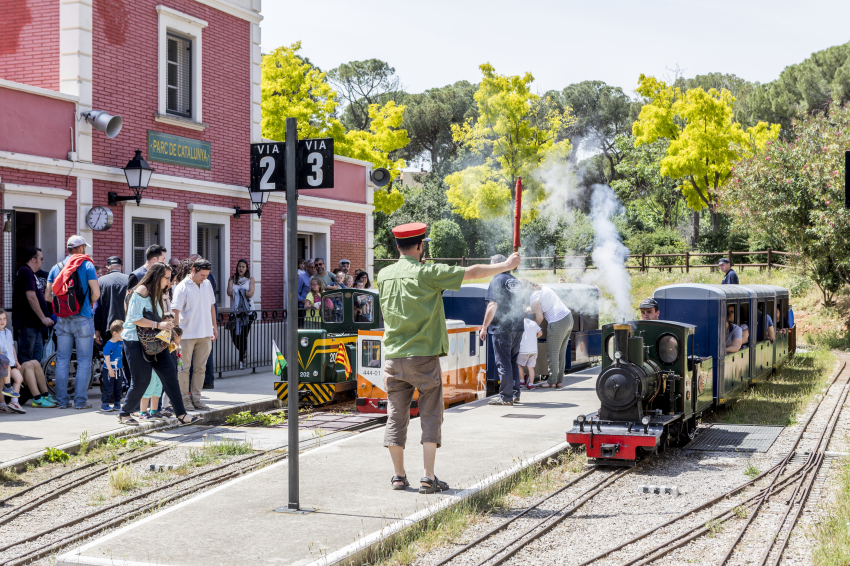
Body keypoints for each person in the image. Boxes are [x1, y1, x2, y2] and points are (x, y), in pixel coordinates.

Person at [377, 222, 520, 494]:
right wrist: (506, 265)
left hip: (393, 358)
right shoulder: (427, 273)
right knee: (431, 415)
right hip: (423, 357)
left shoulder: (383, 275)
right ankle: (428, 478)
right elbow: (472, 272)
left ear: (397, 246)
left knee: (396, 417)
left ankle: (398, 476)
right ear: (420, 246)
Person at [119, 262, 199, 426]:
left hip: (155, 341)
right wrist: (158, 325)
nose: (169, 282)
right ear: (157, 276)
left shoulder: (160, 292)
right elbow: (134, 318)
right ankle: (124, 413)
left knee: (170, 376)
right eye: (167, 278)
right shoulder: (141, 291)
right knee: (142, 380)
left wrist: (168, 327)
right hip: (135, 341)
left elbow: (159, 317)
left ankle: (181, 414)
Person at [45, 235, 101, 410]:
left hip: (62, 319)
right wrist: (86, 304)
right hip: (83, 318)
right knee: (84, 360)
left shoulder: (56, 267)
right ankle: (80, 401)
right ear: (81, 248)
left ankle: (62, 402)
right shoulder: (88, 265)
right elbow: (96, 293)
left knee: (62, 359)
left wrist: (64, 308)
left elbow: (47, 296)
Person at [481, 254, 526, 405]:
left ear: (497, 265)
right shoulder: (515, 281)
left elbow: (492, 305)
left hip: (502, 327)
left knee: (503, 362)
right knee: (513, 361)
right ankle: (514, 394)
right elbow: (522, 305)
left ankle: (506, 397)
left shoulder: (497, 280)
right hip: (518, 326)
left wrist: (484, 327)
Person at [172, 258, 217, 411]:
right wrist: (176, 333)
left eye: (207, 275)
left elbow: (212, 306)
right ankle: (184, 399)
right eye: (202, 275)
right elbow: (175, 311)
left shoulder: (207, 284)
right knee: (183, 368)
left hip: (205, 332)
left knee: (200, 368)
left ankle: (196, 398)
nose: (204, 278)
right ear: (193, 270)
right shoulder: (181, 287)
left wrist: (214, 327)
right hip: (186, 335)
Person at [526, 283, 573, 389]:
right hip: (568, 318)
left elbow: (539, 318)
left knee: (552, 353)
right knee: (561, 353)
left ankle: (551, 382)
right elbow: (540, 307)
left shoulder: (534, 296)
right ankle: (558, 381)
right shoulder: (544, 288)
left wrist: (531, 329)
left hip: (557, 322)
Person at [13, 246, 54, 364]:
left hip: (35, 325)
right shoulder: (25, 271)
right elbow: (31, 297)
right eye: (41, 258)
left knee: (37, 359)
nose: (42, 261)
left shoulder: (31, 273)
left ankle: (34, 382)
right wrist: (43, 318)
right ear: (33, 260)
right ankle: (25, 382)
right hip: (27, 325)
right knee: (27, 358)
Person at [94, 257, 129, 347]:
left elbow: (96, 307)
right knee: (126, 359)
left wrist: (97, 329)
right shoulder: (130, 280)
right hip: (128, 327)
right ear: (122, 267)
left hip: (108, 328)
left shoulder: (101, 281)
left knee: (110, 358)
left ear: (108, 267)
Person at [227, 259, 255, 369]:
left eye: (243, 266)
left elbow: (251, 293)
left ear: (246, 268)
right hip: (234, 312)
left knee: (243, 336)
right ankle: (243, 352)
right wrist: (242, 292)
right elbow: (228, 292)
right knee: (234, 336)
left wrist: (237, 292)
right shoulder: (232, 279)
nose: (241, 268)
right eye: (239, 266)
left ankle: (241, 360)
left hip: (247, 312)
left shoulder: (250, 279)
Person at [101, 319, 125, 411]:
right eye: (122, 333)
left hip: (118, 369)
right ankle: (105, 403)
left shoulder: (120, 342)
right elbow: (107, 358)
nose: (124, 335)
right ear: (115, 333)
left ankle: (117, 402)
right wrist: (110, 370)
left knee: (118, 387)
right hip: (109, 370)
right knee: (108, 387)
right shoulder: (108, 345)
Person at [518, 310, 542, 390]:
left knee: (519, 365)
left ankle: (521, 381)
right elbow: (540, 333)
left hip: (523, 349)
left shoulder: (519, 323)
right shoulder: (533, 323)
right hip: (533, 350)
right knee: (531, 367)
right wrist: (535, 337)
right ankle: (531, 384)